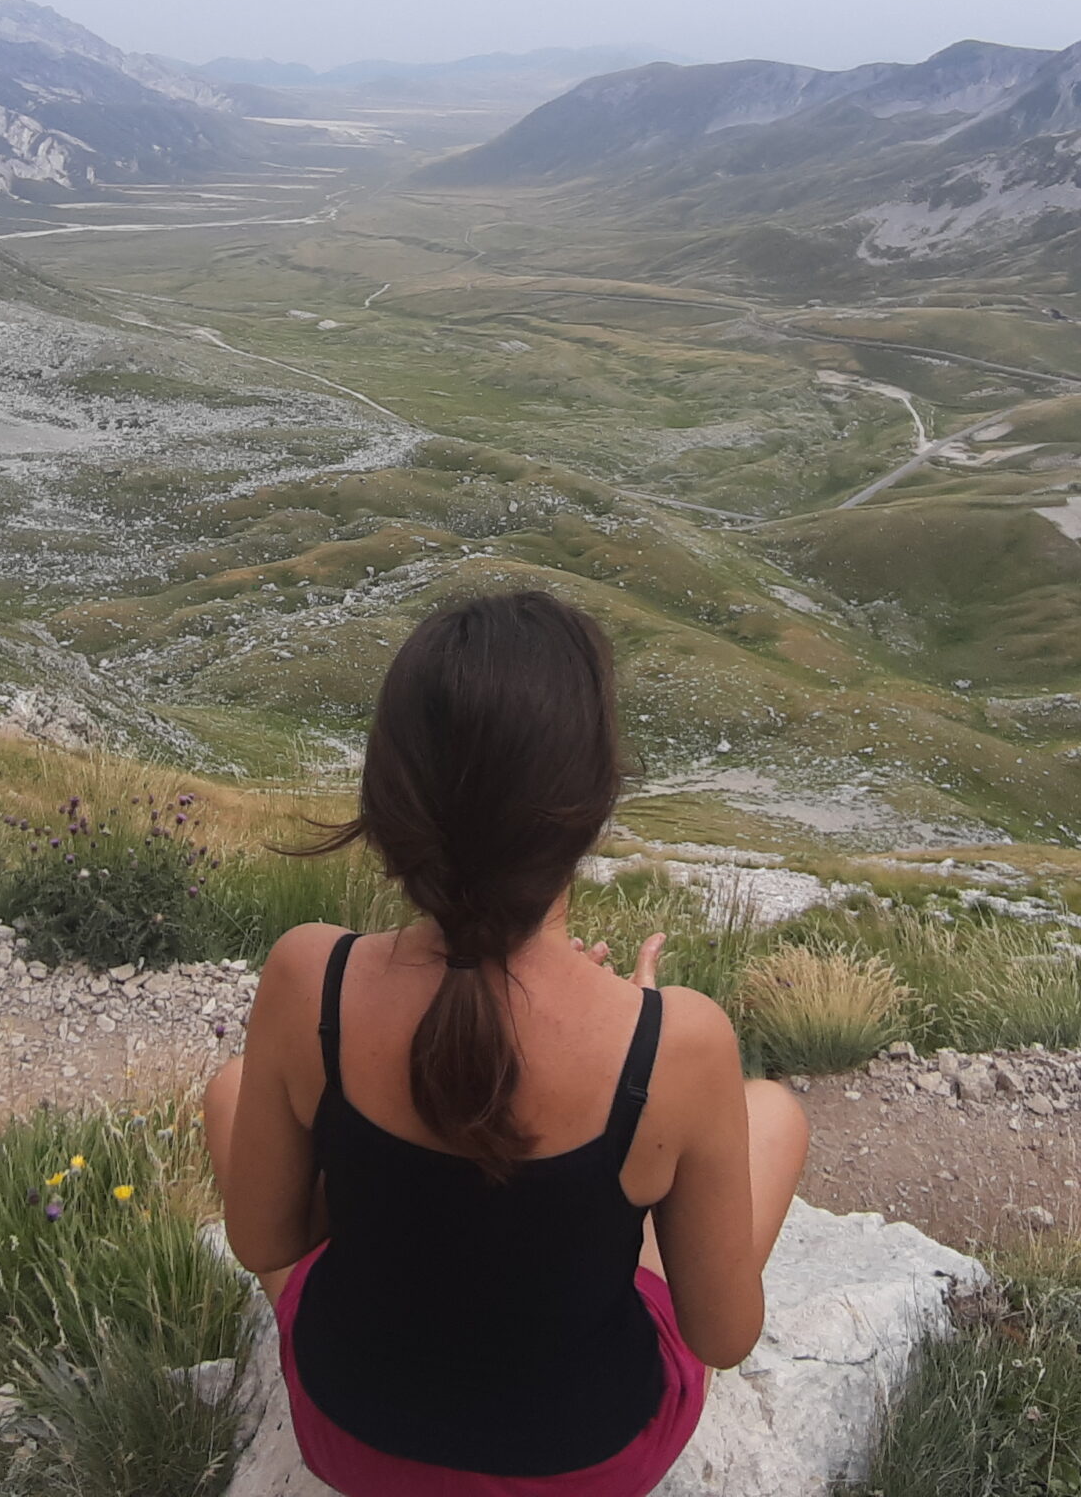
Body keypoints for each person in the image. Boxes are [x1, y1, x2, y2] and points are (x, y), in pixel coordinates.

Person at [205, 589, 809, 1497]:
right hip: (588, 1468)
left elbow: (264, 1241)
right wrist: (633, 1037)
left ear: (387, 795)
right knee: (776, 1115)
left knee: (234, 1086)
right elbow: (720, 1336)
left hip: (351, 1439)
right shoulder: (679, 1043)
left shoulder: (307, 977)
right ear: (591, 806)